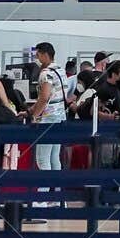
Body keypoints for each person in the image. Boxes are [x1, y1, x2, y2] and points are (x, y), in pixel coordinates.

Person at [28, 42, 68, 174]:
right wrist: (31, 110)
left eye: (38, 55)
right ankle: (57, 192)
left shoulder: (46, 73)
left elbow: (44, 97)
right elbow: (50, 97)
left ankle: (43, 193)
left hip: (47, 120)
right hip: (60, 119)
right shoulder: (60, 71)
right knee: (54, 157)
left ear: (45, 55)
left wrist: (34, 116)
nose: (37, 59)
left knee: (42, 159)